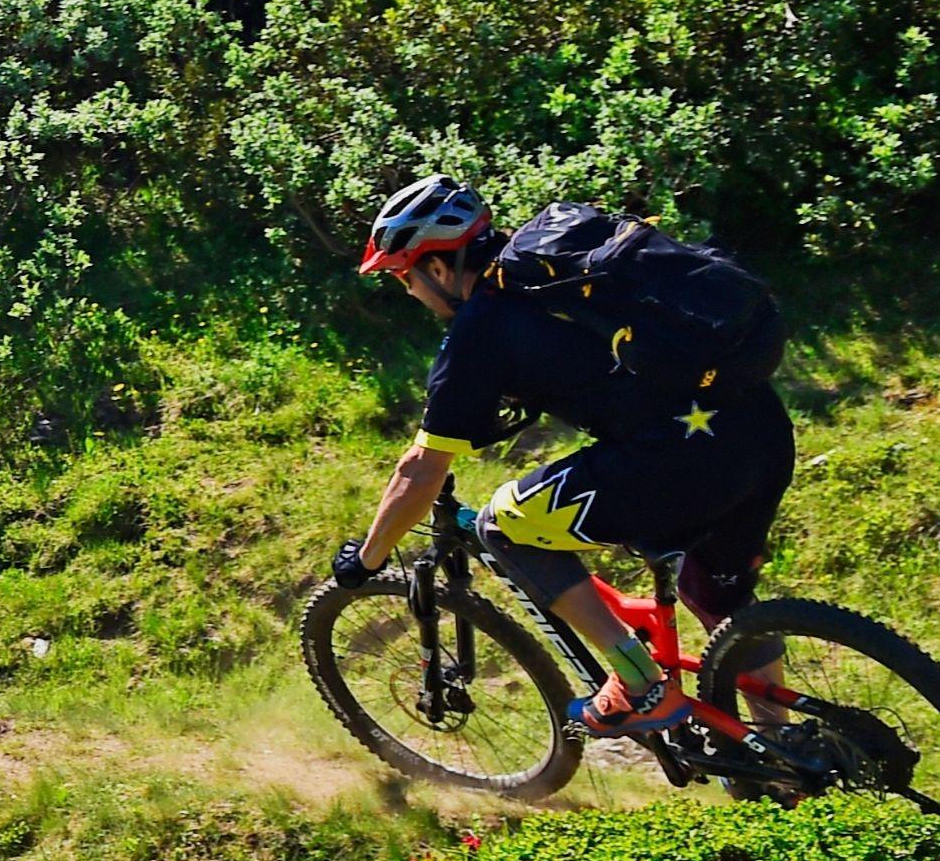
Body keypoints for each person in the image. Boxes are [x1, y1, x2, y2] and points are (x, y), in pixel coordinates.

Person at [336, 175, 791, 738]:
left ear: (435, 268)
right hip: (759, 429)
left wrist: (368, 558)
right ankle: (786, 747)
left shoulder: (481, 327)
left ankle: (638, 683)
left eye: (403, 276)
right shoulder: (562, 253)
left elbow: (421, 469)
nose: (407, 292)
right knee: (717, 595)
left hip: (680, 462)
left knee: (502, 527)